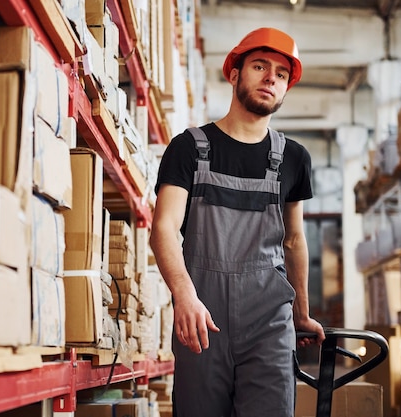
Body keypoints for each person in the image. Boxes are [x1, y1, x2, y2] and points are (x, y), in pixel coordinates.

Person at [149, 27, 326, 417]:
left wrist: (301, 314)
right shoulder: (189, 148)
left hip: (268, 319)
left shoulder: (294, 158)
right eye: (260, 66)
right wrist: (184, 296)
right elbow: (163, 227)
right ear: (234, 73)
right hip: (202, 317)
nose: (271, 79)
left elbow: (294, 240)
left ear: (286, 88)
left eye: (281, 74)